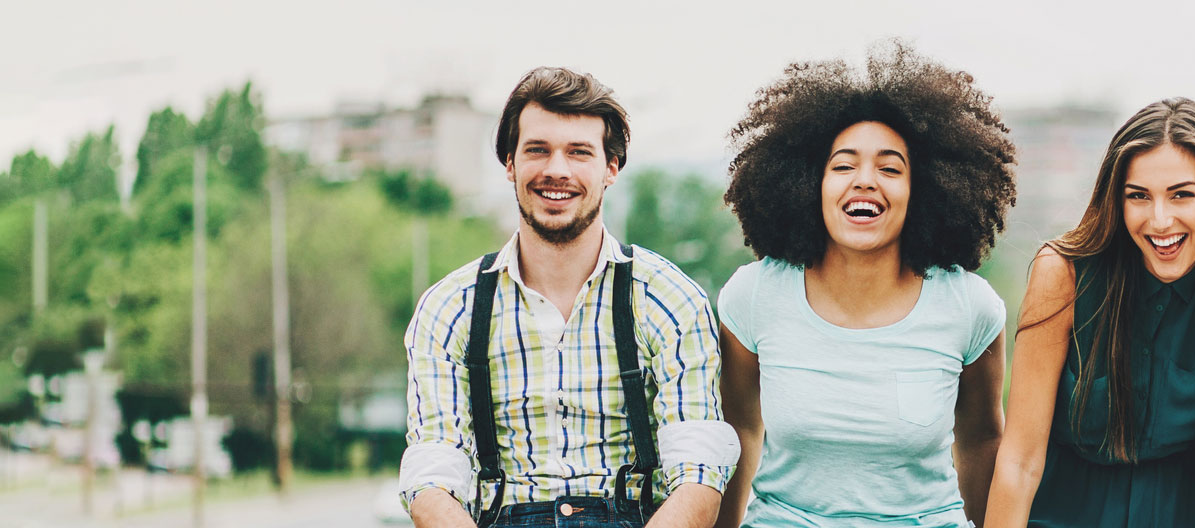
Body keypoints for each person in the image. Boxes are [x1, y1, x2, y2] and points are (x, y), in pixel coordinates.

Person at [400, 67, 739, 528]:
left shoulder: (669, 298)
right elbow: (432, 475)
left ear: (611, 167)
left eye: (579, 152)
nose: (556, 170)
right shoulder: (450, 308)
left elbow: (699, 476)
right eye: (537, 150)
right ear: (510, 165)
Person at [713, 40, 1017, 528]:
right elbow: (739, 429)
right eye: (843, 165)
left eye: (890, 168)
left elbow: (981, 440)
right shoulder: (754, 296)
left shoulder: (969, 305)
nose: (865, 181)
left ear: (925, 190)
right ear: (809, 182)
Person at [985, 97, 1195, 528]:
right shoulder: (1062, 273)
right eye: (1138, 197)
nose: (1160, 220)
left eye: (1182, 195)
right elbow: (1021, 461)